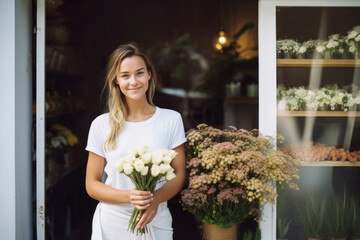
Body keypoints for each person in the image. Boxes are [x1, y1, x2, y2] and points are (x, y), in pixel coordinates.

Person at [85, 42, 187, 240]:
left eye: (139, 73)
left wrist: (156, 199)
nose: (134, 81)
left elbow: (179, 173)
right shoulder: (101, 125)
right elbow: (91, 184)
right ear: (115, 80)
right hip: (112, 222)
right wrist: (129, 197)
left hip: (156, 219)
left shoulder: (171, 119)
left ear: (149, 74)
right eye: (125, 75)